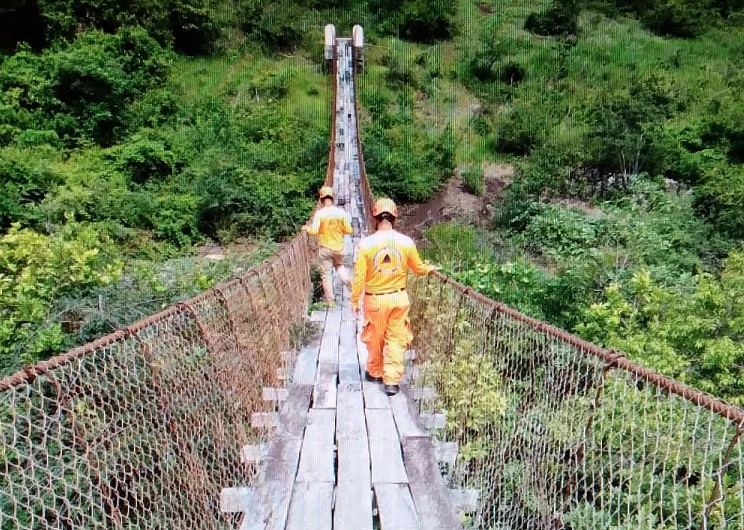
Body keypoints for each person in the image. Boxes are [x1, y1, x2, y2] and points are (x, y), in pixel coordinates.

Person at [351, 198, 439, 396]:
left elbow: (359, 278)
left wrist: (354, 300)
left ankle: (375, 372)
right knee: (396, 339)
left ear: (374, 217)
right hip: (398, 299)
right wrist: (429, 269)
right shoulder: (406, 242)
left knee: (374, 337)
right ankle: (391, 381)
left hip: (374, 300)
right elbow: (418, 268)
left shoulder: (365, 245)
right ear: (394, 217)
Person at [302, 186, 353, 307]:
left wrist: (306, 228)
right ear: (332, 198)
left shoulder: (320, 214)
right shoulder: (341, 213)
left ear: (321, 199)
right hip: (339, 248)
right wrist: (339, 231)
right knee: (340, 266)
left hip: (325, 248)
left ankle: (330, 301)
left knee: (326, 274)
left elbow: (314, 231)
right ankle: (347, 281)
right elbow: (349, 230)